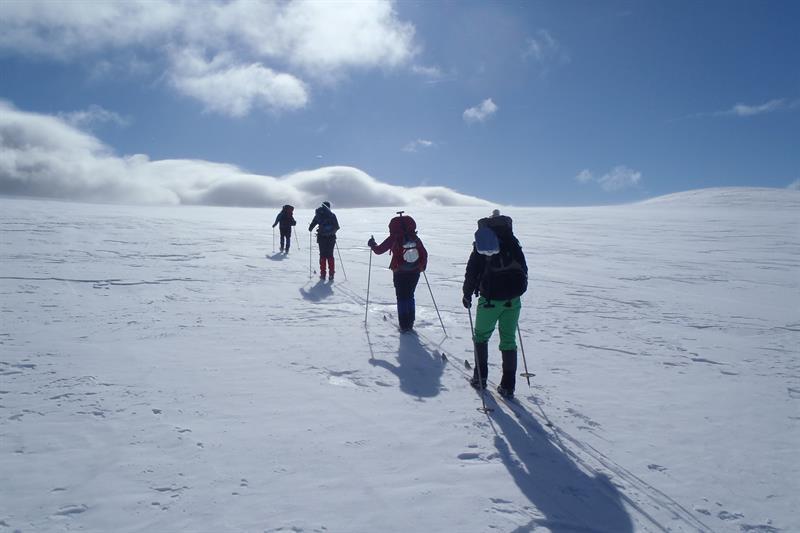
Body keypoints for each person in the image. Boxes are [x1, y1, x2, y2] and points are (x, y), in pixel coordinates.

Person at [462, 209, 528, 399]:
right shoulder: (512, 242)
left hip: (489, 301)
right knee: (508, 339)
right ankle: (508, 386)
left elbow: (472, 271)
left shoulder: (483, 244)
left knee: (481, 337)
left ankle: (480, 379)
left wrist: (467, 294)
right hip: (513, 301)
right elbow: (523, 268)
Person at [368, 211, 428, 332]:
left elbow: (379, 250)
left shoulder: (394, 237)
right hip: (415, 271)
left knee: (401, 297)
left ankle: (404, 324)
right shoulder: (415, 238)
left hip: (399, 271)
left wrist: (372, 244)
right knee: (410, 295)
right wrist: (422, 267)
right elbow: (424, 254)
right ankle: (410, 322)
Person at [308, 201, 340, 281]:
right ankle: (331, 274)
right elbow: (337, 227)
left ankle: (323, 274)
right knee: (330, 255)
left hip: (321, 237)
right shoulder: (332, 215)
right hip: (331, 238)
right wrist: (331, 232)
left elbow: (312, 225)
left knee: (322, 255)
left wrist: (311, 228)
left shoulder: (319, 215)